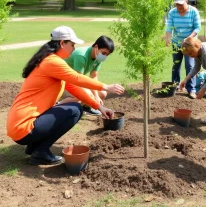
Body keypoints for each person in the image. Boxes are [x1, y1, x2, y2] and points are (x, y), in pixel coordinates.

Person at [6, 26, 124, 166]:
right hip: (23, 126)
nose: (74, 48)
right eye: (72, 44)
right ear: (62, 43)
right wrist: (105, 87)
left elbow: (74, 87)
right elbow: (76, 78)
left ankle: (34, 147)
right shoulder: (52, 62)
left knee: (73, 107)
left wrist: (99, 106)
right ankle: (41, 152)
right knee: (74, 110)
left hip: (20, 124)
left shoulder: (50, 61)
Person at [60, 35, 115, 115]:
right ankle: (58, 105)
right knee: (87, 94)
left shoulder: (98, 58)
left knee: (102, 93)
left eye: (107, 54)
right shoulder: (81, 55)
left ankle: (86, 107)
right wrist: (95, 100)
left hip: (74, 80)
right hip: (62, 82)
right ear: (96, 47)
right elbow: (78, 80)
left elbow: (94, 76)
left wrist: (96, 96)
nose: (105, 56)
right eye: (104, 53)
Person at [165, 0, 201, 99]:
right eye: (177, 4)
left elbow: (197, 28)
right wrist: (168, 37)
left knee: (190, 66)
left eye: (181, 4)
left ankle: (191, 89)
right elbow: (169, 27)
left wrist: (188, 38)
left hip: (190, 45)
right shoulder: (172, 12)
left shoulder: (193, 11)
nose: (179, 7)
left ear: (186, 1)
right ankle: (175, 86)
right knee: (176, 65)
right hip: (176, 43)